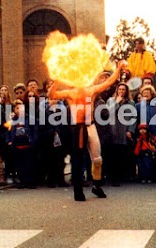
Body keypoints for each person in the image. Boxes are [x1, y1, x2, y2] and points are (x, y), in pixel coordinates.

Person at [48, 61, 126, 201]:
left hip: (91, 126)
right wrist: (56, 81)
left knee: (97, 158)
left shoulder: (92, 90)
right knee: (78, 159)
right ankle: (78, 190)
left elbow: (109, 82)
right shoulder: (70, 92)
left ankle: (97, 186)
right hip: (78, 128)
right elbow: (52, 95)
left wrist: (119, 68)